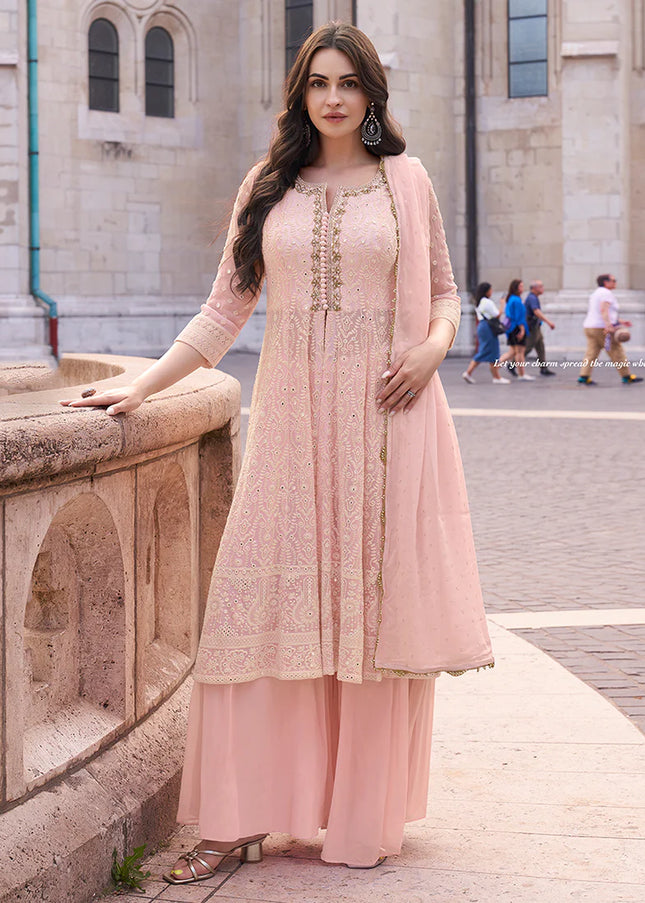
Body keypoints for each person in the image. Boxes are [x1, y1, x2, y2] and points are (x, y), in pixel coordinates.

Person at [60, 23, 493, 879]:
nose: (333, 98)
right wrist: (141, 387)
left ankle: (351, 815)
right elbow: (225, 310)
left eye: (349, 83)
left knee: (365, 622)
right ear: (298, 93)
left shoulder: (404, 181)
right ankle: (235, 818)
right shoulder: (267, 186)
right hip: (291, 429)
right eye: (318, 83)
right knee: (250, 617)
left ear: (372, 94)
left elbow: (445, 289)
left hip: (384, 427)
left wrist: (436, 344)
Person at [578, 274, 643, 385]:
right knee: (616, 351)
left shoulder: (596, 293)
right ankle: (626, 376)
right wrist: (608, 325)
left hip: (590, 326)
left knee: (591, 352)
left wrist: (620, 321)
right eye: (613, 280)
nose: (615, 282)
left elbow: (601, 312)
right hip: (601, 328)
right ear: (606, 282)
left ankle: (584, 376)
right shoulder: (606, 294)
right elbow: (604, 310)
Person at [461, 282, 510, 384]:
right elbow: (497, 315)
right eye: (491, 290)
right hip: (488, 328)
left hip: (482, 326)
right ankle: (471, 373)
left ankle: (496, 376)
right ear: (487, 291)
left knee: (489, 352)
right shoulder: (487, 302)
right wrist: (502, 304)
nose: (492, 292)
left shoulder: (479, 302)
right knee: (491, 351)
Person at [498, 279, 534, 380]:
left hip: (512, 328)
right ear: (516, 288)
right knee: (519, 352)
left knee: (513, 352)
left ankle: (495, 367)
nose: (522, 288)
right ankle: (521, 374)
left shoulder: (511, 299)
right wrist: (522, 330)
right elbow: (519, 317)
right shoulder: (516, 300)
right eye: (521, 286)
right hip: (516, 328)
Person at [524, 280, 556, 376]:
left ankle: (543, 368)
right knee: (527, 347)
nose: (543, 288)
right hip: (532, 327)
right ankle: (512, 364)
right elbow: (536, 311)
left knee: (540, 347)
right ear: (534, 288)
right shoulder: (532, 298)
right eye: (540, 287)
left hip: (536, 326)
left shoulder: (533, 297)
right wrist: (549, 322)